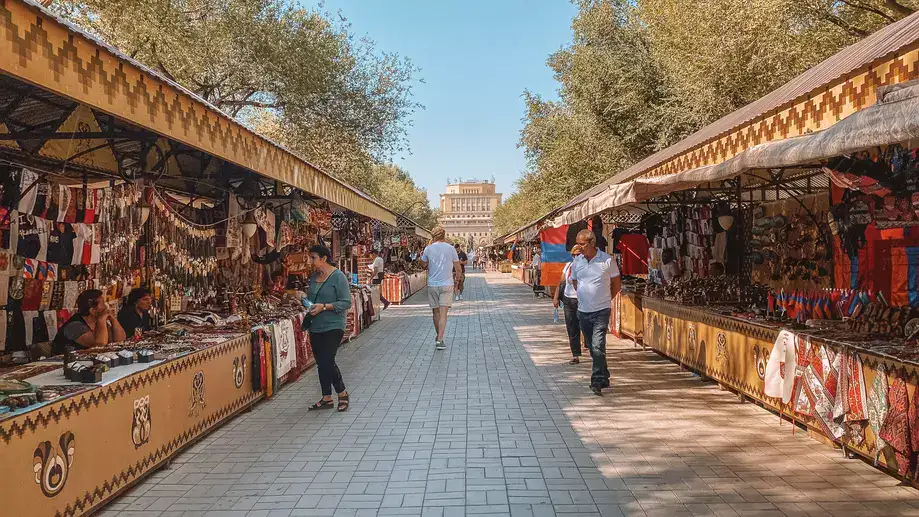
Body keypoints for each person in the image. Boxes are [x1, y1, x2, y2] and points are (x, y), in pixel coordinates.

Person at [571, 230, 620, 396]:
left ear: (592, 243)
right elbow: (576, 282)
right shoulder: (577, 262)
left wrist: (605, 299)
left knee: (598, 345)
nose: (579, 247)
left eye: (582, 244)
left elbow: (616, 283)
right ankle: (604, 374)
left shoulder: (607, 260)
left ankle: (597, 380)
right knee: (592, 348)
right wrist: (585, 298)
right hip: (583, 311)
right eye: (578, 243)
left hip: (601, 310)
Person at [304, 245, 353, 412]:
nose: (310, 261)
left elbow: (346, 302)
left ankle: (342, 393)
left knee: (327, 360)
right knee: (321, 362)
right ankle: (326, 397)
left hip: (333, 325)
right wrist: (304, 300)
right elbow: (312, 301)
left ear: (324, 258)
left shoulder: (338, 277)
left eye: (313, 258)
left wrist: (324, 307)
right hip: (315, 325)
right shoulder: (313, 277)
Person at [421, 227, 461, 350]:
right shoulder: (451, 248)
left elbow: (423, 264)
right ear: (444, 235)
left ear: (433, 236)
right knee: (444, 314)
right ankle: (440, 339)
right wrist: (457, 281)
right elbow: (458, 268)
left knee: (435, 312)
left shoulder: (428, 249)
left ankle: (439, 336)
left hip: (433, 284)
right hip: (447, 284)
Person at [53, 289, 127, 354]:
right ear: (92, 310)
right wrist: (101, 320)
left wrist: (113, 319)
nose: (106, 307)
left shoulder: (97, 322)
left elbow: (120, 340)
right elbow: (100, 344)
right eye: (103, 304)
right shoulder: (74, 326)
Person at [553, 245, 583, 364]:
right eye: (574, 255)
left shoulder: (587, 266)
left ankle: (591, 347)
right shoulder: (568, 266)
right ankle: (575, 354)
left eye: (578, 254)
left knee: (585, 326)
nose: (576, 257)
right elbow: (561, 282)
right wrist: (556, 297)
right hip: (568, 299)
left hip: (583, 300)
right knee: (571, 327)